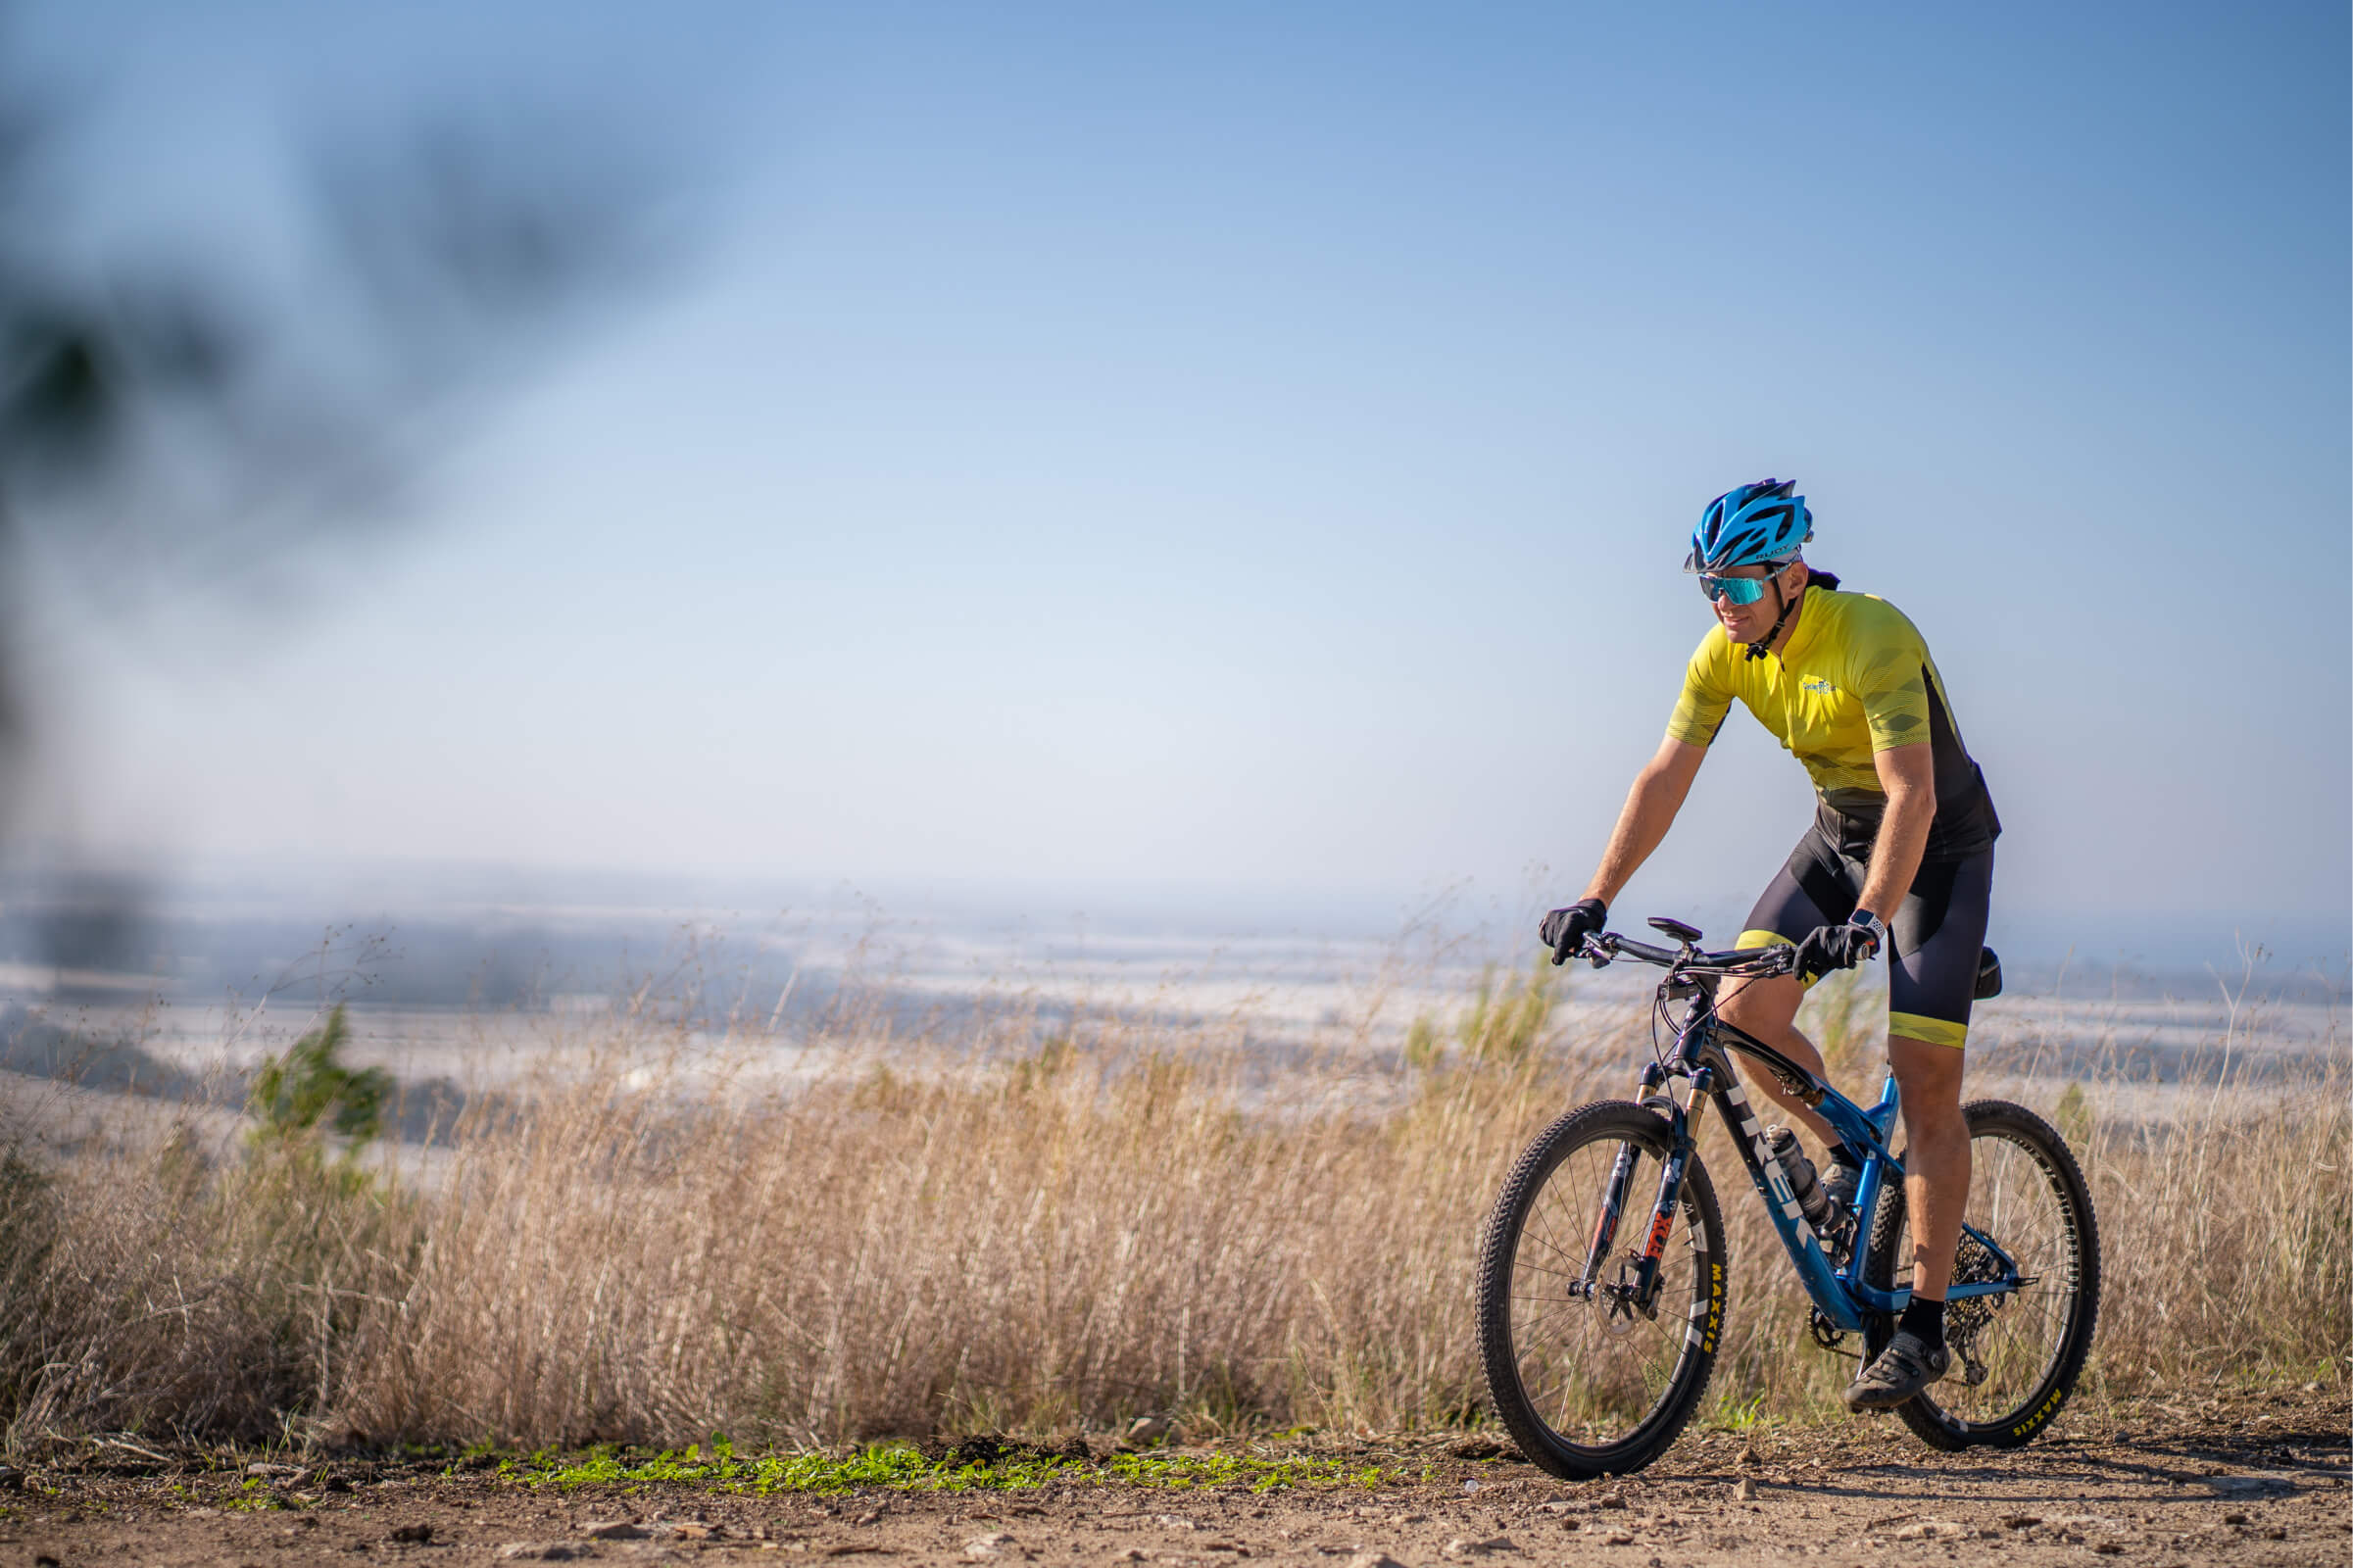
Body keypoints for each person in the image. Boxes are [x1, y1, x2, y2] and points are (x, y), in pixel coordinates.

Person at [1538, 477, 2000, 1410]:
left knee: (1924, 1083)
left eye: (1740, 586)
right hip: (1837, 838)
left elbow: (1910, 795)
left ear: (1791, 575)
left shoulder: (1871, 633)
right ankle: (1845, 1151)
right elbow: (1666, 775)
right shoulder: (1724, 654)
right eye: (1708, 585)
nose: (1723, 604)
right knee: (1741, 1012)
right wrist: (1594, 895)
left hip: (1937, 851)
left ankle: (1921, 1323)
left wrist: (1868, 919)